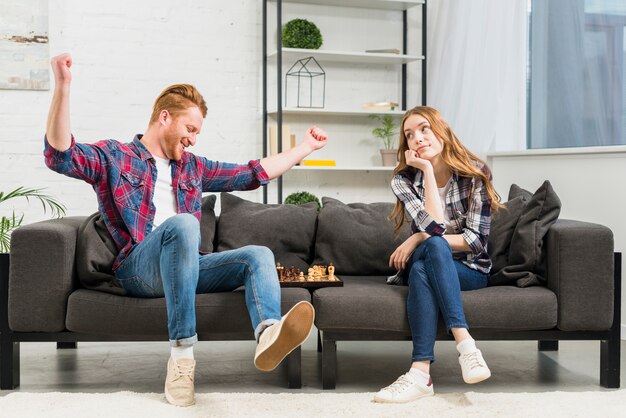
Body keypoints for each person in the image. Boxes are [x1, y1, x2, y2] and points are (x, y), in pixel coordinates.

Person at [45, 53, 328, 407]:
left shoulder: (193, 168)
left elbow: (251, 173)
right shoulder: (116, 157)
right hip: (139, 270)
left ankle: (268, 333)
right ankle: (182, 359)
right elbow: (62, 156)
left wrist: (306, 148)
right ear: (165, 117)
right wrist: (63, 86)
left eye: (197, 132)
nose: (193, 139)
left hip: (187, 266)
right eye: (190, 129)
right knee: (181, 226)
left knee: (259, 255)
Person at [374, 106, 503, 403]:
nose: (417, 138)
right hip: (430, 254)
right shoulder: (404, 180)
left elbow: (475, 241)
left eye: (424, 129)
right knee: (434, 247)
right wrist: (428, 171)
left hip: (469, 269)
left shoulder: (475, 174)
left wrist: (419, 237)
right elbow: (435, 227)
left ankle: (420, 373)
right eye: (409, 135)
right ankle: (466, 345)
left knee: (427, 259)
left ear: (441, 130)